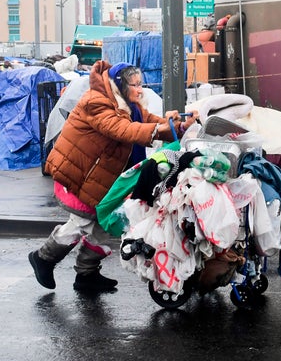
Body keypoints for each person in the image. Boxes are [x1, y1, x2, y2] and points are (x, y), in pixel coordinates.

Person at [28, 60, 199, 294]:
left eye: (141, 84)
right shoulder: (96, 102)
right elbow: (122, 129)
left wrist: (178, 126)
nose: (140, 90)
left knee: (104, 226)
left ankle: (86, 275)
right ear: (120, 84)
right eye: (135, 85)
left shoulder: (129, 105)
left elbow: (148, 121)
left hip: (100, 177)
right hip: (81, 174)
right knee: (82, 223)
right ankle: (43, 258)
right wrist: (159, 130)